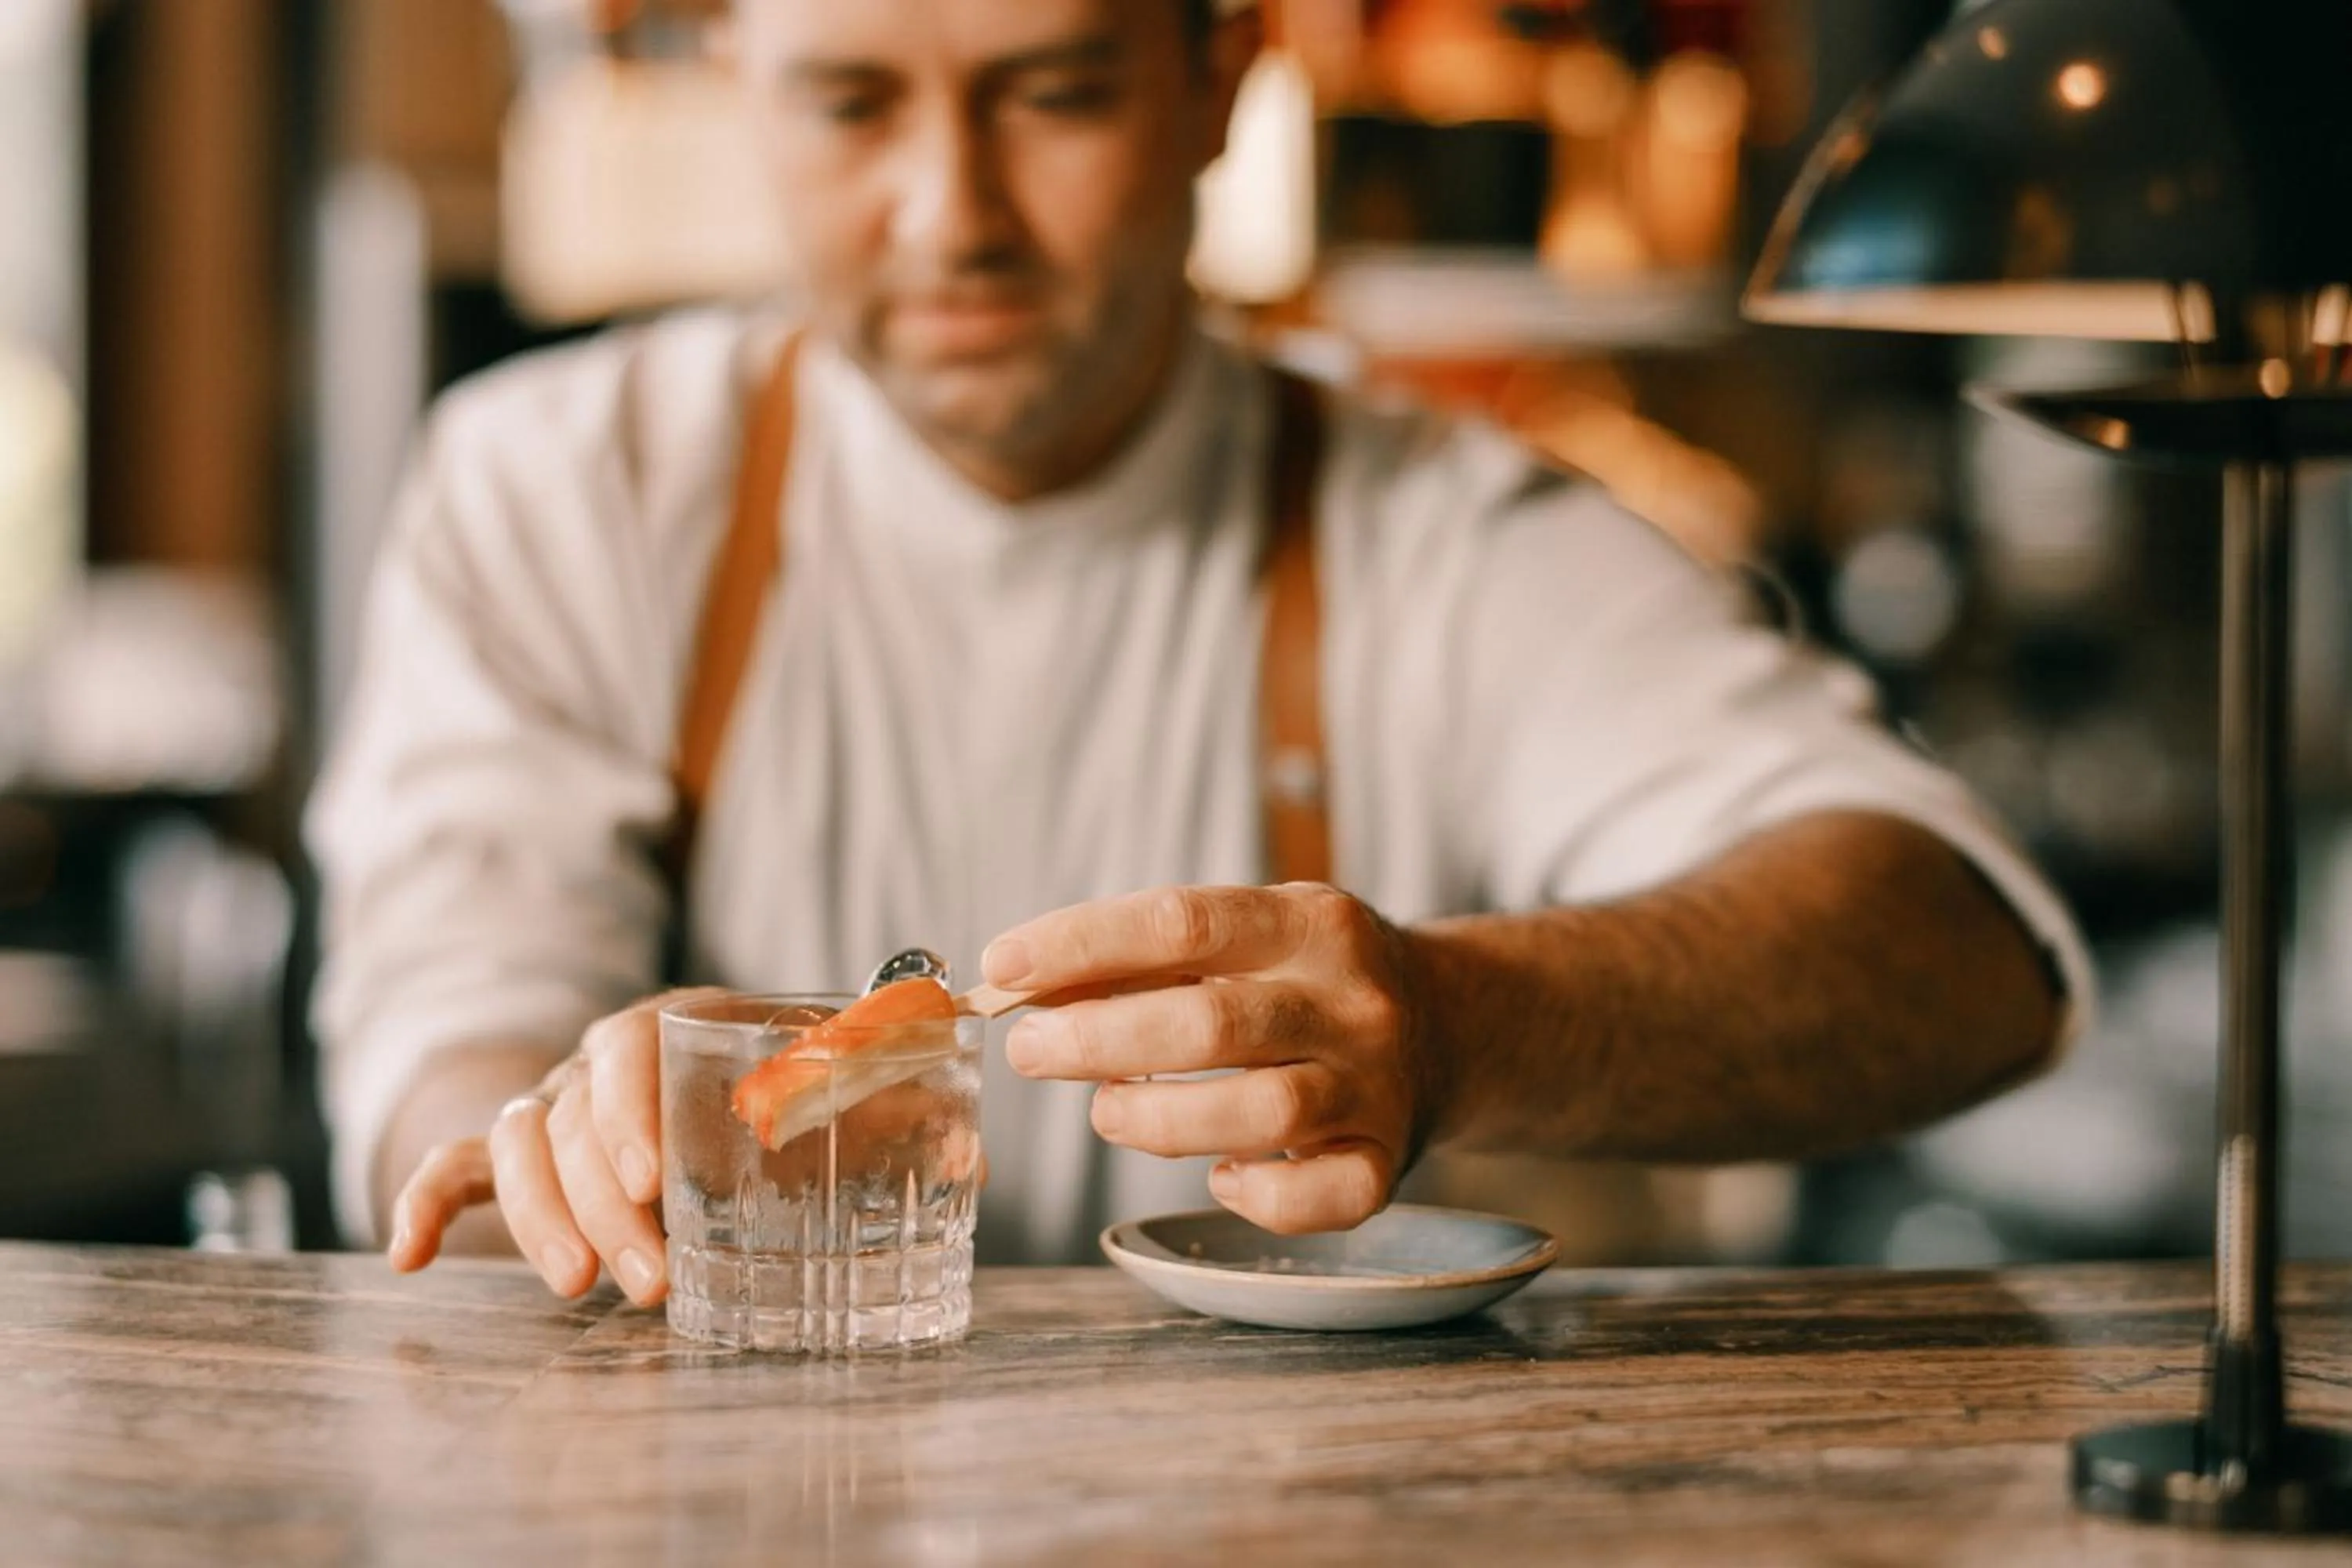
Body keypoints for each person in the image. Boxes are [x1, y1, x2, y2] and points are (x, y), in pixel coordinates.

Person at [313, 0, 2092, 1305]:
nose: (953, 212)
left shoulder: (1450, 536)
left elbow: (1963, 946)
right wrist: (560, 1136)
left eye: (1056, 94)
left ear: (1217, 84)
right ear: (738, 82)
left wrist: (1464, 1022)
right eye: (852, 103)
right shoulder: (556, 488)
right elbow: (446, 1042)